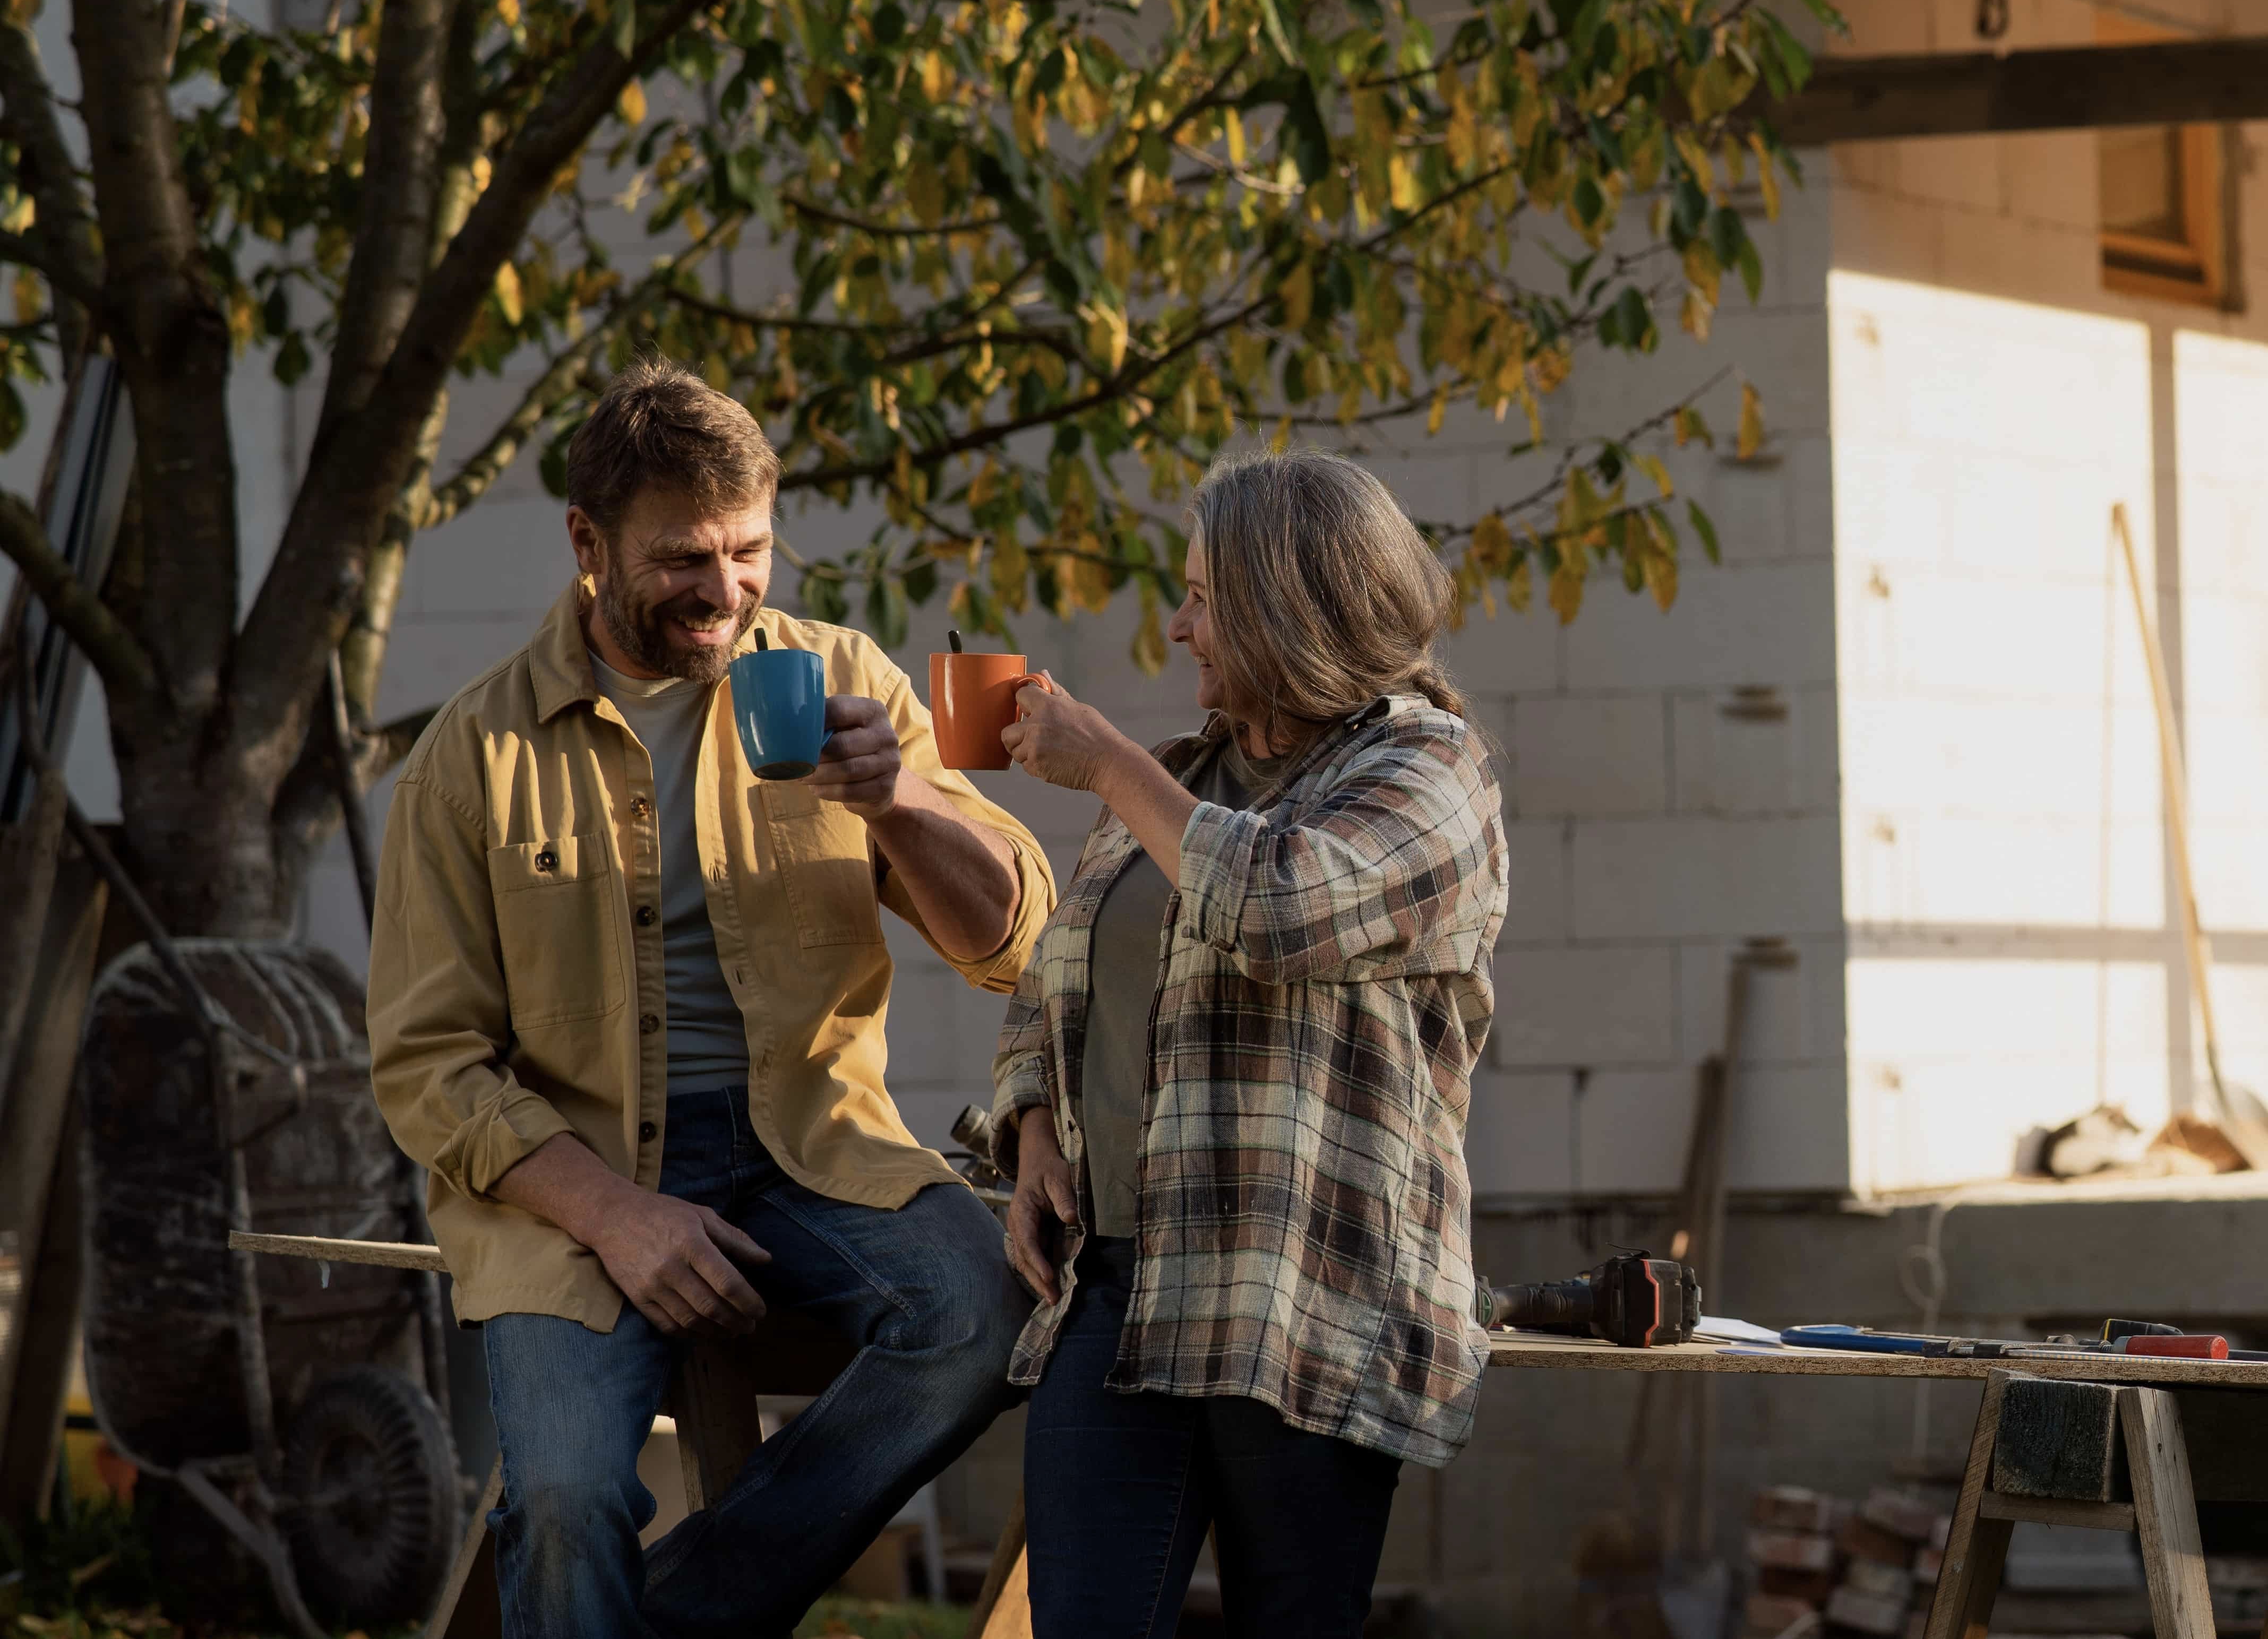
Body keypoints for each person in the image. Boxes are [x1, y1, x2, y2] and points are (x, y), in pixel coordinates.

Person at [367, 360, 1055, 1639]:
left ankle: (686, 1617)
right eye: (686, 557)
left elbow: (1014, 938)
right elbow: (426, 1067)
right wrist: (623, 1217)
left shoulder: (846, 680)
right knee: (567, 1503)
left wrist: (899, 800)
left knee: (989, 1319)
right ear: (588, 544)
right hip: (569, 1181)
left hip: (812, 1146)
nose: (728, 591)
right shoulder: (471, 758)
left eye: (750, 553)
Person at [993, 450, 1507, 1637]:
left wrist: (1110, 765)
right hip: (1120, 1281)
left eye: (1204, 599)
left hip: (1306, 1288)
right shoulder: (1188, 778)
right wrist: (1030, 1130)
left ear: (1289, 604)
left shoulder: (1428, 771)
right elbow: (1054, 977)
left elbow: (1283, 909)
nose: (1178, 629)